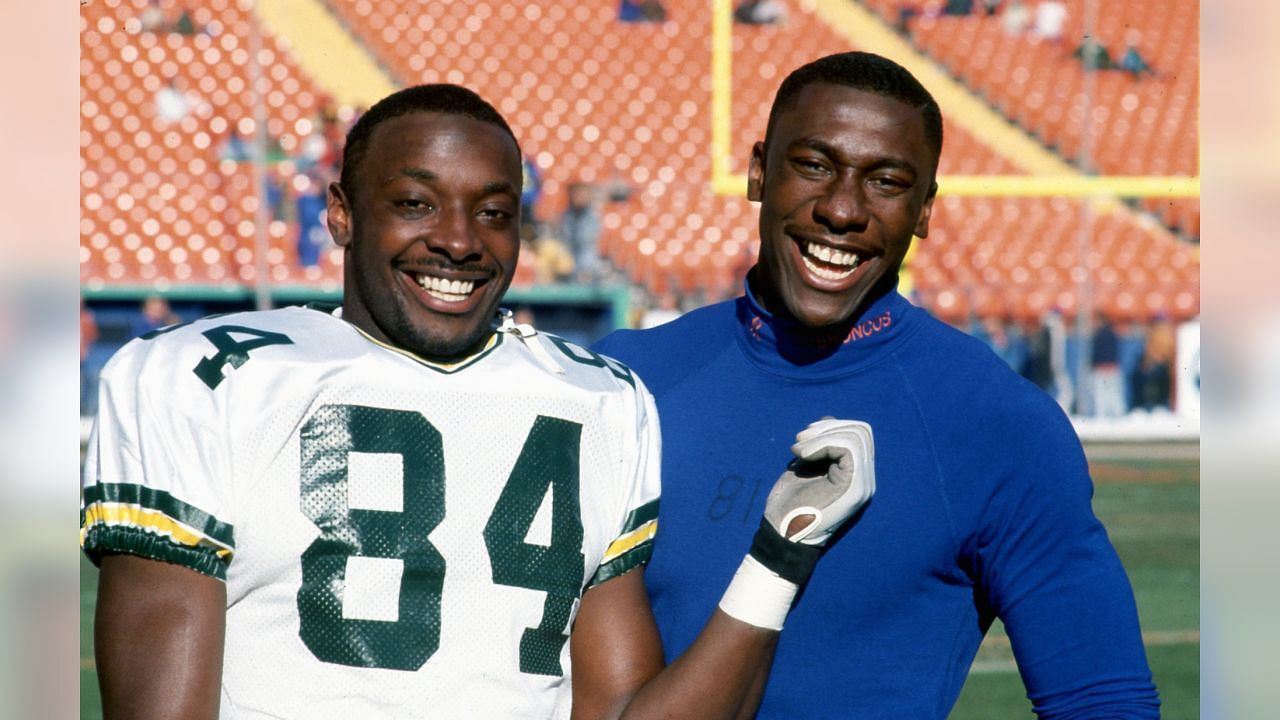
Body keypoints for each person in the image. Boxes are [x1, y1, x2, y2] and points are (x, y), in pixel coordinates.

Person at [81, 83, 875, 719]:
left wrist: (780, 553)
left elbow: (620, 709)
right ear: (342, 215)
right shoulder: (208, 379)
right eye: (416, 204)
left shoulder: (598, 399)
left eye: (493, 213)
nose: (460, 240)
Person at [594, 52, 1159, 717]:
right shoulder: (621, 384)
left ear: (924, 208)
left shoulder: (999, 425)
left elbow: (1103, 701)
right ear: (757, 171)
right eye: (812, 165)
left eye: (886, 181)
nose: (841, 210)